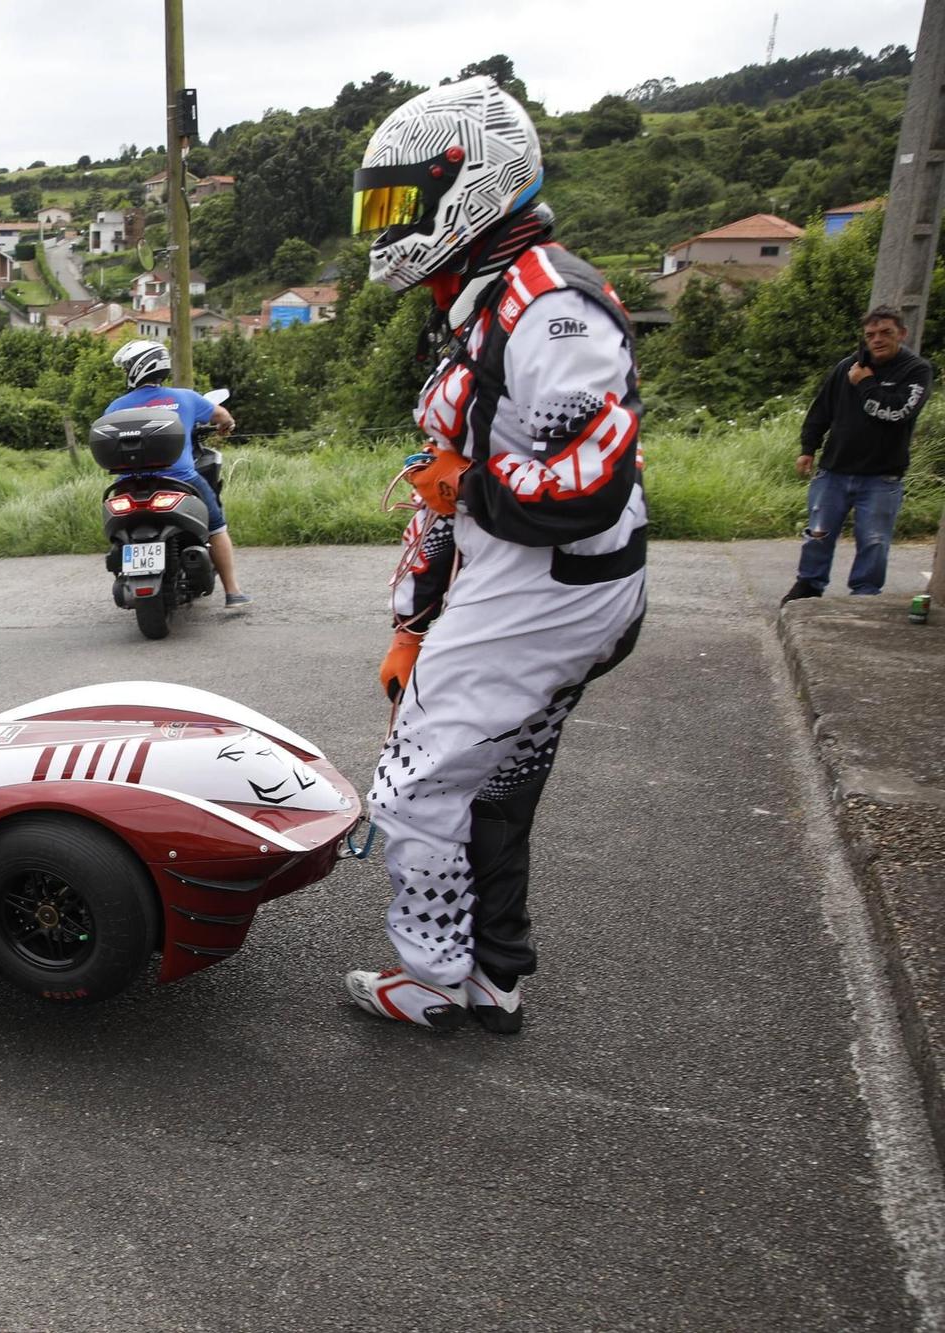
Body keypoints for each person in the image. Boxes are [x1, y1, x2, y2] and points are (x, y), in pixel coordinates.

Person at [341, 75, 649, 1032]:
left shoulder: (553, 309)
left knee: (416, 785)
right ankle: (493, 970)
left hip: (555, 584)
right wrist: (412, 621)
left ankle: (434, 978)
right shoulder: (483, 297)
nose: (387, 228)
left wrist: (463, 487)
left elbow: (581, 485)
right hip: (526, 580)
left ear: (469, 187)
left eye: (402, 204)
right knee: (493, 784)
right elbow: (450, 480)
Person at [781, 307, 932, 603]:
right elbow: (822, 409)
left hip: (881, 476)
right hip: (834, 470)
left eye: (886, 333)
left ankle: (865, 595)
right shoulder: (847, 367)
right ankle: (809, 585)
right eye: (870, 334)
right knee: (817, 535)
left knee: (874, 542)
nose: (877, 340)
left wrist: (864, 383)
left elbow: (898, 412)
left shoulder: (915, 370)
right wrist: (808, 448)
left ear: (902, 334)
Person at [104, 339, 250, 609]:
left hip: (128, 484)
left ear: (137, 368)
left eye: (126, 368)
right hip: (180, 480)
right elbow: (222, 415)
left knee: (115, 526)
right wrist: (226, 426)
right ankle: (233, 592)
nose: (125, 372)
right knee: (216, 527)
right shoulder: (184, 397)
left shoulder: (116, 407)